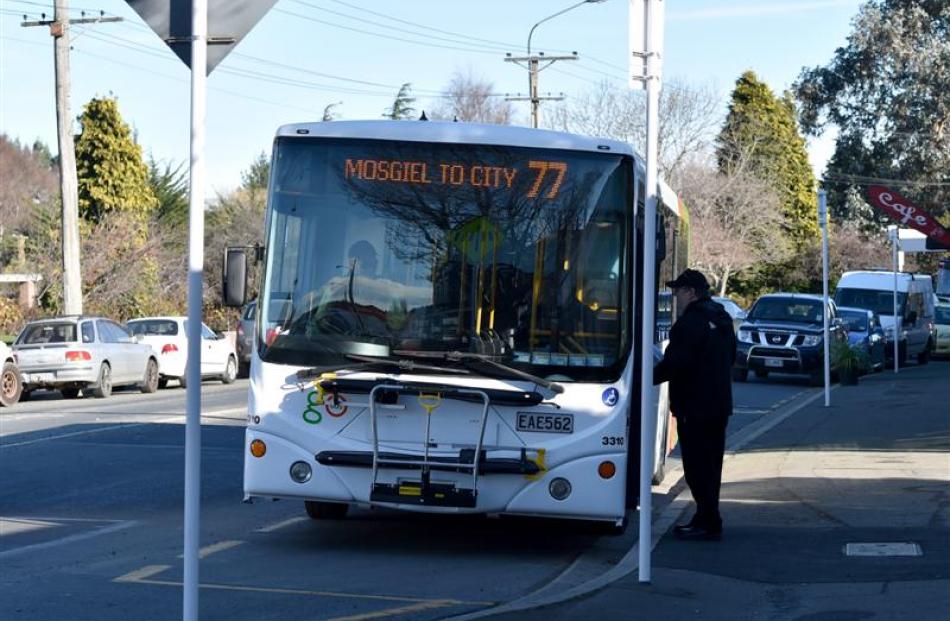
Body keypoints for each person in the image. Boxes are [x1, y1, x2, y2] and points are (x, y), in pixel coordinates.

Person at [653, 268, 737, 541]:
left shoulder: (689, 323)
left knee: (696, 467)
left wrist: (641, 378)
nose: (675, 296)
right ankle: (706, 517)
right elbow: (731, 357)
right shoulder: (721, 317)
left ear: (691, 292)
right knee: (711, 465)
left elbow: (674, 364)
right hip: (719, 405)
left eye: (678, 291)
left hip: (694, 407)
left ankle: (709, 521)